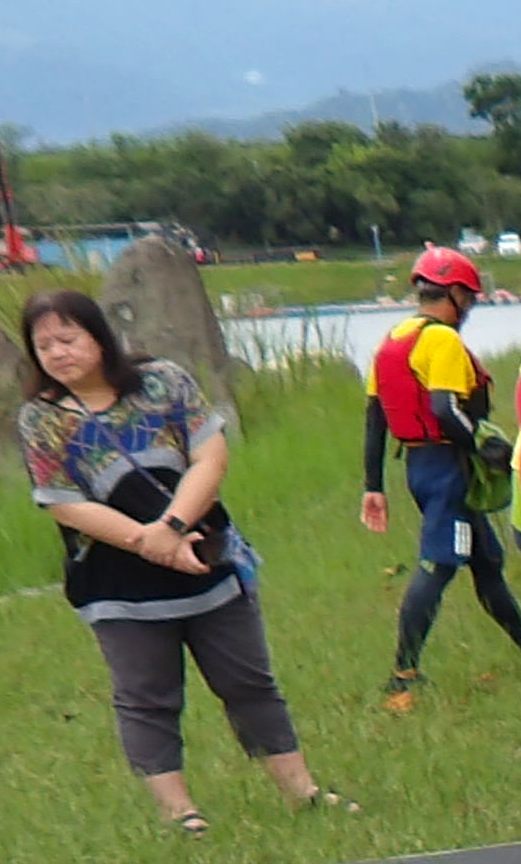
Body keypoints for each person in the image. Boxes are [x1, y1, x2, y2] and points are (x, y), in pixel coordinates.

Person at [20, 290, 343, 832]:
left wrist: (171, 528)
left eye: (68, 339)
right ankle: (180, 813)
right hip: (117, 584)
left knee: (248, 682)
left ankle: (302, 792)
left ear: (99, 336)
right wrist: (150, 543)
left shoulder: (163, 382)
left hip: (207, 559)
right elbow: (64, 504)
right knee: (146, 697)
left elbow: (210, 456)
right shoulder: (40, 419)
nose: (57, 353)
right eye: (44, 345)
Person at [358, 245, 521, 693]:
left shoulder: (393, 339)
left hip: (421, 466)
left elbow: (375, 418)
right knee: (438, 564)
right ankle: (404, 673)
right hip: (447, 470)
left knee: (487, 562)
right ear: (455, 294)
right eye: (470, 298)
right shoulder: (441, 340)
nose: (471, 307)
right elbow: (444, 408)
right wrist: (481, 445)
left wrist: (373, 485)